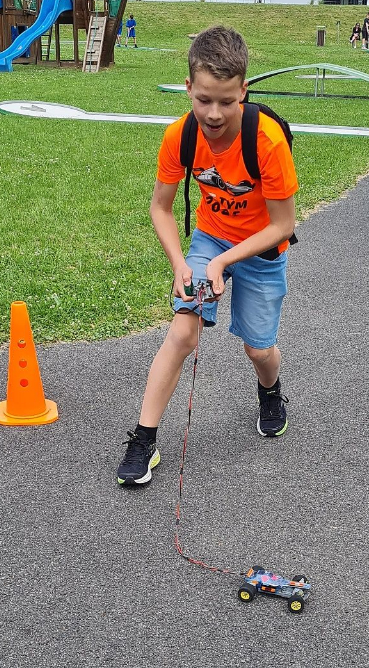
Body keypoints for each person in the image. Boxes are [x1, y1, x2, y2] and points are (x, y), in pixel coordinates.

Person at [116, 25, 298, 486]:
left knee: (258, 349)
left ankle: (271, 391)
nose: (213, 113)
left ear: (244, 90)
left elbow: (283, 225)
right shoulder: (179, 136)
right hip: (210, 239)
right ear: (188, 88)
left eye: (226, 101)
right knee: (182, 333)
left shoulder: (267, 141)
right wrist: (182, 263)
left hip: (261, 247)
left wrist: (223, 263)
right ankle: (143, 440)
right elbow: (159, 208)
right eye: (203, 100)